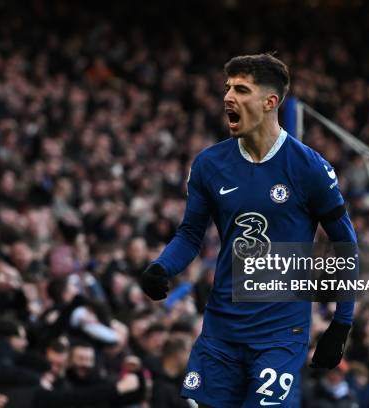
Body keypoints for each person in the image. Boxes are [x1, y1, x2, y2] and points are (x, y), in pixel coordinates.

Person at [139, 53, 356, 407]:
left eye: (241, 89)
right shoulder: (210, 164)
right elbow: (190, 234)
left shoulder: (309, 168)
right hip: (221, 329)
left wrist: (341, 323)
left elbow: (346, 244)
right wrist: (162, 267)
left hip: (280, 334)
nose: (228, 97)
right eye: (227, 88)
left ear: (270, 102)